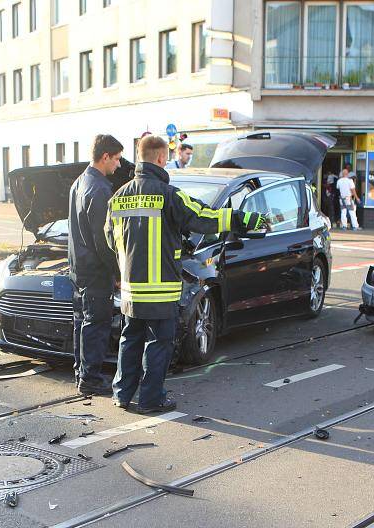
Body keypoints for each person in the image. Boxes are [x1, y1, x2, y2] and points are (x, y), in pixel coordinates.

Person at [105, 135, 268, 413]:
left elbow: (110, 239)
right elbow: (203, 218)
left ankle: (122, 394)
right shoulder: (170, 195)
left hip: (131, 289)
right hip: (161, 289)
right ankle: (150, 399)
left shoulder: (118, 197)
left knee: (130, 340)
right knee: (158, 344)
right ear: (160, 158)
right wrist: (240, 219)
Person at [69, 134, 124, 396]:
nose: (119, 165)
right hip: (96, 271)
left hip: (79, 268)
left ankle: (81, 371)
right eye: (116, 159)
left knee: (82, 321)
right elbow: (104, 239)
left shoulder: (79, 182)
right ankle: (90, 378)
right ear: (105, 157)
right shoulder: (101, 189)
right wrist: (116, 271)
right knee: (97, 323)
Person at [337, 163, 361, 230]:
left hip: (341, 199)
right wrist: (357, 198)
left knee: (343, 212)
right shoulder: (350, 181)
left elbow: (338, 188)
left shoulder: (339, 181)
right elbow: (353, 190)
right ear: (347, 174)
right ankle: (355, 226)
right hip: (348, 198)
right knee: (352, 212)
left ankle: (344, 226)